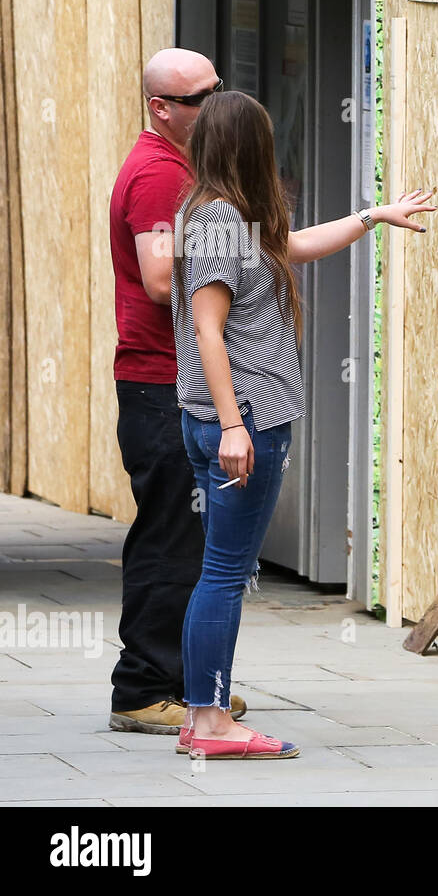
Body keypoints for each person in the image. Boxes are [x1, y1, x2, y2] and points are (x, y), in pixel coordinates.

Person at [172, 90, 432, 759]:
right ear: (253, 148)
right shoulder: (223, 218)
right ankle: (211, 724)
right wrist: (234, 426)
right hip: (244, 420)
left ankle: (203, 715)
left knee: (218, 571)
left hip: (230, 418)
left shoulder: (219, 213)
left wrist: (374, 216)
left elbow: (292, 246)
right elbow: (208, 329)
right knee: (224, 575)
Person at [107, 48, 247, 734]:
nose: (216, 102)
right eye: (200, 96)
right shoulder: (162, 173)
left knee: (186, 539)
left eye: (220, 88)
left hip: (167, 382)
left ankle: (192, 682)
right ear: (162, 108)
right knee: (170, 540)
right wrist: (238, 257)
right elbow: (162, 279)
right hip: (161, 383)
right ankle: (142, 688)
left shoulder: (184, 166)